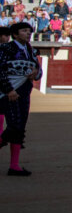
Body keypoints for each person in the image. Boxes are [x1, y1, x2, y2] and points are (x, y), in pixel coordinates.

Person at [0, 22, 41, 176]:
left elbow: (38, 70)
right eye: (24, 31)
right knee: (15, 126)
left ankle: (14, 166)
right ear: (15, 34)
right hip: (8, 93)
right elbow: (0, 70)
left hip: (23, 92)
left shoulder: (31, 50)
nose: (28, 33)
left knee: (19, 128)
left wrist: (35, 73)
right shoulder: (5, 48)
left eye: (29, 31)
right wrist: (9, 89)